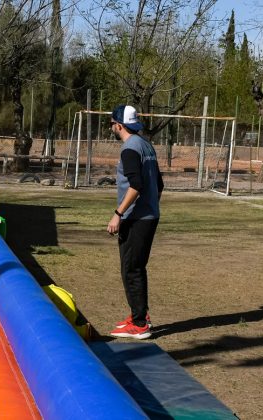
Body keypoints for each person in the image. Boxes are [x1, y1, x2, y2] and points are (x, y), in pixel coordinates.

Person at [107, 104, 164, 340]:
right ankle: (138, 314)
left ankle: (140, 324)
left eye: (112, 123)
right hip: (149, 215)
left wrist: (118, 214)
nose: (111, 127)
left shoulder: (129, 149)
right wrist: (150, 204)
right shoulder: (145, 145)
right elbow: (158, 184)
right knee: (135, 267)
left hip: (136, 218)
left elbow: (136, 185)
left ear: (119, 125)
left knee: (131, 269)